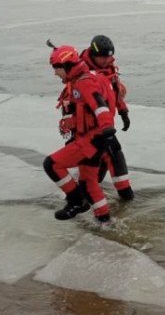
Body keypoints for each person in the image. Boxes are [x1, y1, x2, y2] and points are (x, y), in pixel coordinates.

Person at [44, 45, 117, 222]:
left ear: (67, 66)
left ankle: (76, 201)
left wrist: (107, 126)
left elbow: (99, 104)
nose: (55, 74)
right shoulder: (84, 78)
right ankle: (104, 220)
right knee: (89, 182)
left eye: (57, 69)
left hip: (91, 140)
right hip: (97, 139)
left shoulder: (83, 82)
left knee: (52, 165)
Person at [81, 34, 134, 201]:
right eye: (104, 57)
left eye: (109, 56)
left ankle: (86, 196)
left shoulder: (109, 68)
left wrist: (123, 111)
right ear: (94, 55)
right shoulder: (83, 75)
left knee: (103, 162)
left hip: (106, 126)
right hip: (92, 129)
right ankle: (125, 196)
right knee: (113, 156)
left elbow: (115, 91)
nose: (108, 60)